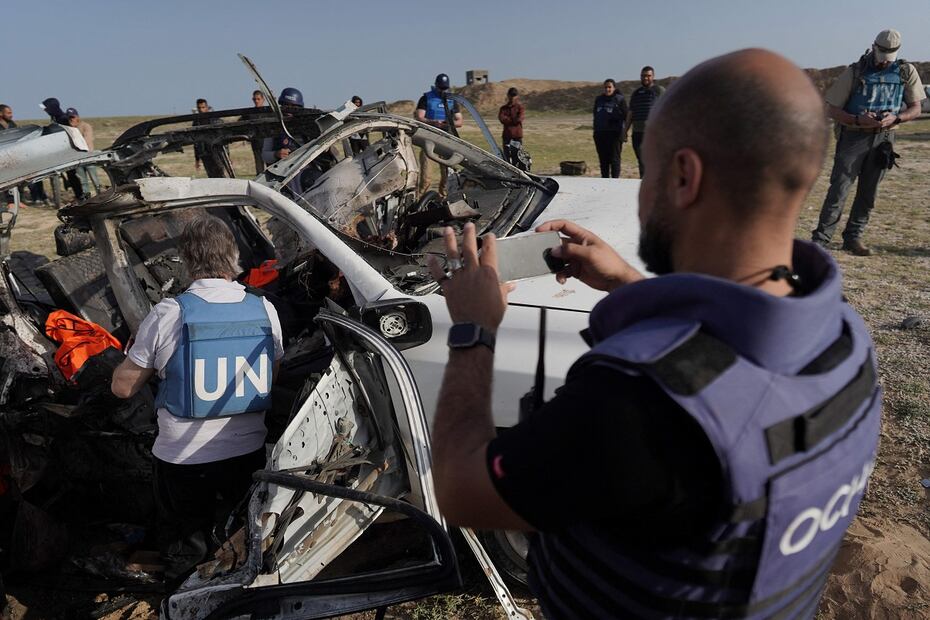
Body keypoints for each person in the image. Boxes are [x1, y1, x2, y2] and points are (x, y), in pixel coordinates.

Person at [427, 49, 881, 619]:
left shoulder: (639, 400)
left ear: (685, 176)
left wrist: (473, 327)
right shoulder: (845, 337)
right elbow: (735, 362)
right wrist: (626, 282)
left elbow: (460, 488)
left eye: (650, 171)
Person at [111, 214, 284, 572]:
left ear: (187, 260)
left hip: (183, 460)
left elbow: (123, 388)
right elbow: (272, 373)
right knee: (243, 534)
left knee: (184, 546)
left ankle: (184, 582)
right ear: (234, 256)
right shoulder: (265, 308)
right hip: (247, 452)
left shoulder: (168, 313)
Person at [812, 29, 926, 256]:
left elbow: (916, 108)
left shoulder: (905, 71)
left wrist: (897, 118)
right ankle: (820, 240)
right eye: (882, 55)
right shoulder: (854, 72)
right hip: (853, 138)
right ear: (874, 47)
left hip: (884, 139)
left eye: (889, 57)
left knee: (869, 192)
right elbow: (831, 108)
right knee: (839, 190)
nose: (885, 61)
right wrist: (857, 119)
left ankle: (853, 237)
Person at [415, 73, 463, 199]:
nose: (443, 91)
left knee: (447, 177)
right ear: (436, 85)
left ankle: (444, 199)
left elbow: (459, 121)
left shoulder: (452, 100)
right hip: (429, 141)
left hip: (446, 142)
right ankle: (419, 199)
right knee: (426, 178)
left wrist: (449, 123)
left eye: (445, 88)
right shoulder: (426, 98)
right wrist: (433, 122)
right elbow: (419, 117)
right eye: (441, 88)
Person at [624, 66, 665, 177]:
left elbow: (667, 108)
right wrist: (625, 131)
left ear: (653, 76)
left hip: (653, 133)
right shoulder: (636, 93)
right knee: (641, 161)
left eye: (648, 76)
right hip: (637, 133)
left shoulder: (659, 90)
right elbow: (630, 113)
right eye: (643, 76)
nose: (645, 78)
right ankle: (644, 182)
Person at [592, 79, 628, 178]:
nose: (607, 89)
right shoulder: (599, 99)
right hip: (600, 133)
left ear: (614, 88)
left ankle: (614, 182)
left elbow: (626, 116)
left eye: (609, 87)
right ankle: (605, 180)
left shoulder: (620, 100)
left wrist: (624, 132)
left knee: (614, 159)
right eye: (605, 87)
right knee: (603, 160)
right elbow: (595, 114)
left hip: (615, 134)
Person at [262, 87, 304, 165]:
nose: (289, 110)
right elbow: (265, 155)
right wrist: (276, 154)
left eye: (293, 106)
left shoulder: (307, 126)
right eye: (286, 105)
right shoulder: (273, 127)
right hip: (280, 169)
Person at [66, 108, 102, 194]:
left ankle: (100, 194)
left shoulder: (86, 126)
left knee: (95, 179)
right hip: (78, 159)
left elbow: (87, 140)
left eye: (72, 117)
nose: (71, 119)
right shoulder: (70, 129)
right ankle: (87, 197)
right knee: (83, 181)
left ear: (77, 117)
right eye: (69, 118)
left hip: (88, 157)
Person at [192, 98, 226, 176]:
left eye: (203, 107)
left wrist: (227, 156)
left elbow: (223, 139)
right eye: (199, 108)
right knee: (211, 175)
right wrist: (197, 159)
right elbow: (196, 142)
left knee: (221, 173)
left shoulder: (215, 120)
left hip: (216, 151)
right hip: (204, 153)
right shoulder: (196, 122)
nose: (201, 110)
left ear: (207, 107)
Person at [498, 87, 527, 169]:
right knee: (506, 157)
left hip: (517, 136)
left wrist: (509, 120)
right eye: (511, 95)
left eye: (514, 95)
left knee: (517, 157)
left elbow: (520, 118)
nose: (512, 97)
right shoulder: (503, 108)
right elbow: (502, 119)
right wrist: (514, 120)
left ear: (517, 96)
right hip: (507, 136)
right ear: (508, 95)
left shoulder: (520, 107)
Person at [244, 90, 267, 175]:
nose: (256, 101)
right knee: (259, 166)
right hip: (256, 142)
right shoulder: (249, 113)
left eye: (258, 99)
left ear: (263, 99)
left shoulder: (268, 111)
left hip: (268, 142)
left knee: (271, 164)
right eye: (254, 99)